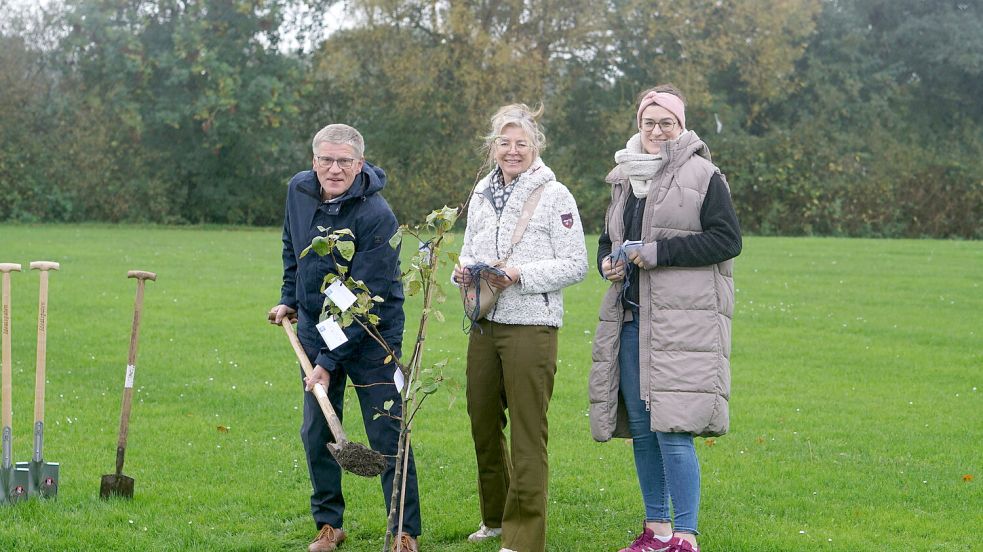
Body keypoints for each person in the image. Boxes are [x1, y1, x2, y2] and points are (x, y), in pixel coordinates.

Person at [589, 85, 742, 552]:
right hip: (632, 323)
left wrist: (656, 253)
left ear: (681, 125)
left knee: (673, 430)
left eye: (666, 123)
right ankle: (655, 531)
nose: (657, 131)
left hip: (681, 327)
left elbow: (726, 240)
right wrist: (607, 263)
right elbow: (606, 240)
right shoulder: (624, 177)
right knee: (642, 431)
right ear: (639, 124)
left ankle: (686, 536)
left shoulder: (704, 174)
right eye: (648, 122)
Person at [269, 124, 420, 552]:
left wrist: (327, 365)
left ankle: (403, 530)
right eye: (326, 160)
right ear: (313, 160)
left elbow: (361, 299)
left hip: (374, 333)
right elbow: (291, 247)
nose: (334, 170)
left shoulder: (377, 215)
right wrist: (288, 299)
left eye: (344, 162)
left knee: (387, 433)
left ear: (360, 164)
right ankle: (329, 525)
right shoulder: (299, 191)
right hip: (317, 327)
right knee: (317, 432)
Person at [452, 104, 588, 552]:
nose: (512, 151)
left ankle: (523, 537)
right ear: (493, 147)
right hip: (484, 323)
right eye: (504, 143)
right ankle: (494, 518)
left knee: (530, 432)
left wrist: (519, 275)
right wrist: (464, 270)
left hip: (532, 325)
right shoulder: (480, 194)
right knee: (483, 423)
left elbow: (576, 264)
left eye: (521, 144)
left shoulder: (556, 195)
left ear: (535, 148)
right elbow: (470, 248)